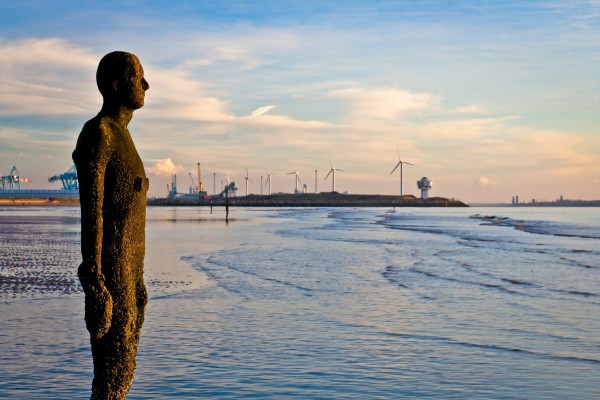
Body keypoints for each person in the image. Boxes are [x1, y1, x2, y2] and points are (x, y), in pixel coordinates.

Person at [73, 51, 150, 400]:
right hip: (112, 275)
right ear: (116, 85)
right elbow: (93, 214)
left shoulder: (125, 138)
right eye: (138, 78)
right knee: (111, 375)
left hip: (130, 277)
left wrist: (138, 283)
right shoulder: (100, 133)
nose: (146, 85)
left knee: (124, 371)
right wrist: (95, 284)